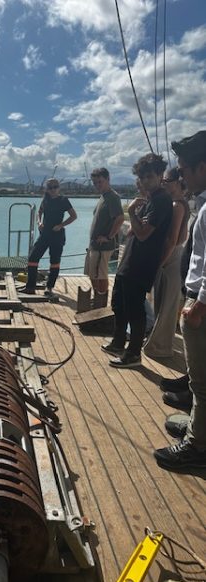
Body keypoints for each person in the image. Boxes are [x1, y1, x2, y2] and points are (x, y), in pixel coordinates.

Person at [154, 130, 206, 470]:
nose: (182, 177)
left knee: (201, 384)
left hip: (201, 306)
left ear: (202, 167)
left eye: (184, 169)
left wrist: (199, 305)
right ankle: (199, 427)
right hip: (199, 300)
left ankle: (197, 448)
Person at [102, 153, 172, 368]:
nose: (145, 181)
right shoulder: (150, 200)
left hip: (141, 265)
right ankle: (118, 342)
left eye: (150, 176)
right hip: (130, 261)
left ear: (160, 175)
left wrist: (131, 211)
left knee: (135, 309)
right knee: (119, 303)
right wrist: (136, 215)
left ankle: (133, 354)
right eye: (142, 177)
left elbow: (142, 234)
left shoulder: (161, 201)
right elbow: (135, 231)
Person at [143, 168, 190, 358]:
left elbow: (173, 239)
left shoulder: (177, 205)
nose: (163, 184)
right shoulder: (174, 203)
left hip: (171, 258)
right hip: (170, 257)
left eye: (167, 181)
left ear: (178, 183)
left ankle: (161, 347)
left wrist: (159, 263)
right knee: (161, 303)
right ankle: (158, 344)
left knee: (167, 307)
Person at [23, 178, 77, 298]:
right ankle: (30, 287)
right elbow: (39, 212)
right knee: (33, 258)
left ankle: (49, 288)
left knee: (54, 262)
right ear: (46, 189)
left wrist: (61, 225)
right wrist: (39, 222)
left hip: (57, 235)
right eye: (50, 187)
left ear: (59, 188)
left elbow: (74, 216)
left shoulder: (63, 200)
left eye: (55, 187)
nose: (53, 190)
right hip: (45, 234)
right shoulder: (45, 200)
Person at [85, 168, 124, 304]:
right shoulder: (104, 196)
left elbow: (120, 218)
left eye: (100, 182)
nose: (97, 185)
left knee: (100, 275)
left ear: (108, 179)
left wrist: (108, 237)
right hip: (95, 245)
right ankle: (97, 298)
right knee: (93, 274)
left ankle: (101, 302)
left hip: (103, 246)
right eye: (95, 183)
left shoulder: (112, 197)